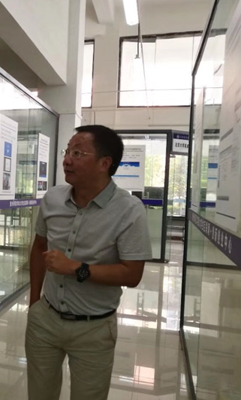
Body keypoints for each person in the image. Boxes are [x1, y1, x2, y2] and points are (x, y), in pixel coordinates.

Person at [26, 125, 152, 400]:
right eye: (67, 151)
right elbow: (39, 247)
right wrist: (34, 302)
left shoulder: (129, 210)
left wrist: (76, 268)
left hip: (94, 327)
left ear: (104, 164)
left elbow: (132, 274)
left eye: (78, 153)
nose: (67, 160)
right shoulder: (52, 199)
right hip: (45, 318)